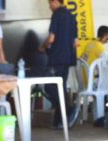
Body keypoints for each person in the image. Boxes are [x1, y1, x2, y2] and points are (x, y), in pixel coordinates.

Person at [39, 0, 79, 129]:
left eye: (50, 3)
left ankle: (69, 110)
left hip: (56, 57)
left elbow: (51, 38)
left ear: (56, 1)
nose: (49, 6)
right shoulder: (72, 16)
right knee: (60, 87)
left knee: (50, 88)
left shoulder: (57, 15)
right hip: (68, 58)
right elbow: (75, 42)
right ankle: (60, 120)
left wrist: (43, 47)